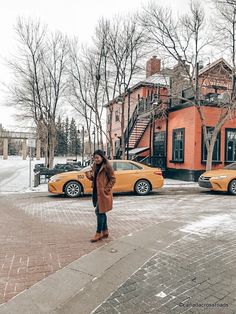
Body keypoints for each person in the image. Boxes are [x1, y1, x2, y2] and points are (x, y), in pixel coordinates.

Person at [85, 150, 116, 242]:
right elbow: (95, 179)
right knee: (101, 212)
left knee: (99, 212)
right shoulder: (95, 166)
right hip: (96, 192)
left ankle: (98, 233)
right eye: (95, 158)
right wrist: (89, 176)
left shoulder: (107, 167)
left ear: (102, 157)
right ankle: (105, 231)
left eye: (97, 158)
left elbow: (113, 179)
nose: (96, 160)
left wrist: (106, 189)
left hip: (103, 193)